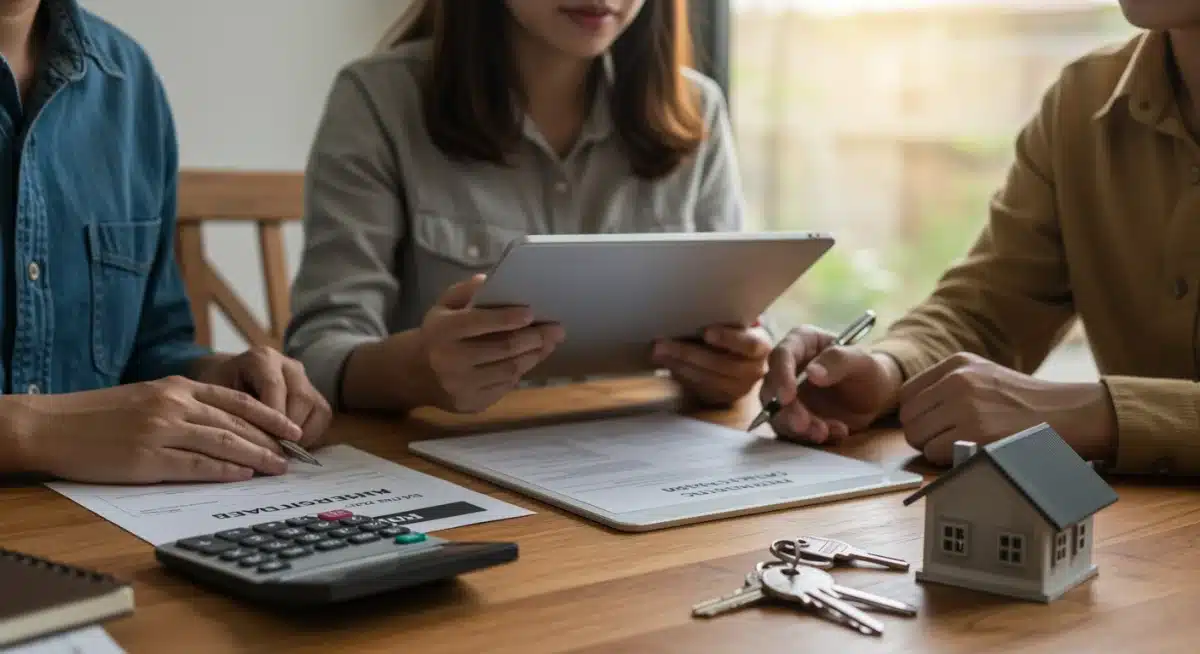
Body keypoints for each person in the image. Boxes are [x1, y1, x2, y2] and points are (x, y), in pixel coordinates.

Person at [761, 0, 1200, 475]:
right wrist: (886, 371)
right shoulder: (1081, 101)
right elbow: (989, 311)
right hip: (1143, 536)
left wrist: (1099, 416)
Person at [285, 0, 771, 416]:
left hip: (640, 454)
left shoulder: (695, 108)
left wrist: (732, 366)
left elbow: (741, 325)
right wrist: (415, 371)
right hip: (443, 466)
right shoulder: (379, 100)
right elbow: (319, 355)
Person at [0, 0, 330, 485]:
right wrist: (39, 432)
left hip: (98, 524)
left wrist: (223, 382)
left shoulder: (127, 82)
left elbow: (149, 344)